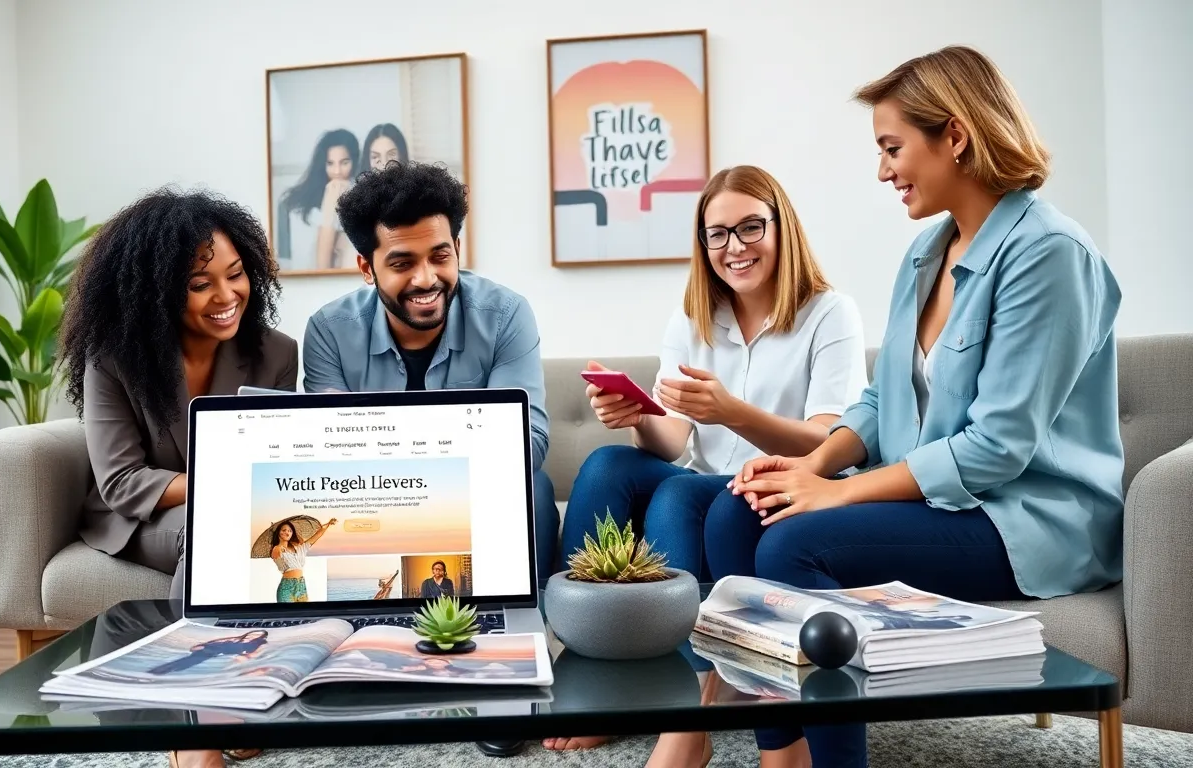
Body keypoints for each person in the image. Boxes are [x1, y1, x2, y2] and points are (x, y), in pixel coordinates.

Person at [646, 45, 1124, 768]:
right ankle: (786, 753)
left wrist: (831, 497)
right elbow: (877, 401)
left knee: (792, 541)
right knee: (737, 507)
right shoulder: (927, 255)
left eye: (893, 147)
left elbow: (996, 449)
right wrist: (810, 464)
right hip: (940, 505)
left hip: (1025, 519)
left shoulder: (1049, 254)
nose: (883, 170)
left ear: (955, 136)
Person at [549, 165, 867, 754]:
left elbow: (831, 443)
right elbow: (674, 442)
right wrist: (638, 416)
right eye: (716, 234)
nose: (734, 247)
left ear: (783, 227)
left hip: (792, 486)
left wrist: (733, 411)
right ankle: (592, 676)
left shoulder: (830, 313)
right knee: (606, 466)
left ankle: (692, 706)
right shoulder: (693, 318)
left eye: (750, 227)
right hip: (708, 483)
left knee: (679, 494)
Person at [60, 188, 295, 768]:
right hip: (144, 515)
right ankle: (195, 734)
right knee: (210, 526)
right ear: (157, 291)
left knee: (238, 529)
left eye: (237, 274)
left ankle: (231, 698)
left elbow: (276, 461)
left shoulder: (275, 353)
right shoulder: (113, 358)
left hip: (244, 509)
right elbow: (120, 481)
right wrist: (224, 479)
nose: (226, 295)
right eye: (200, 284)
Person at [302, 160, 562, 582]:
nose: (426, 279)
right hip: (375, 502)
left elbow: (528, 443)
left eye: (440, 256)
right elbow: (332, 459)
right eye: (402, 264)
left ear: (457, 249)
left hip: (481, 494)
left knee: (534, 489)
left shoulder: (506, 314)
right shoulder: (329, 331)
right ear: (367, 268)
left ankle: (523, 622)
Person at [275, 128, 360, 270]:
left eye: (344, 163)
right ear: (322, 165)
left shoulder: (361, 197)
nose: (337, 171)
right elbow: (285, 262)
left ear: (354, 161)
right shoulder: (289, 204)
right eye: (330, 163)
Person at [269, 518, 336, 602]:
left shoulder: (300, 548)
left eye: (290, 531)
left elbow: (316, 536)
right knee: (288, 614)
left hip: (301, 585)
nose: (287, 532)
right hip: (286, 587)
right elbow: (277, 558)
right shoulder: (277, 549)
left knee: (303, 613)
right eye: (284, 530)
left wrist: (328, 524)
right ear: (278, 532)